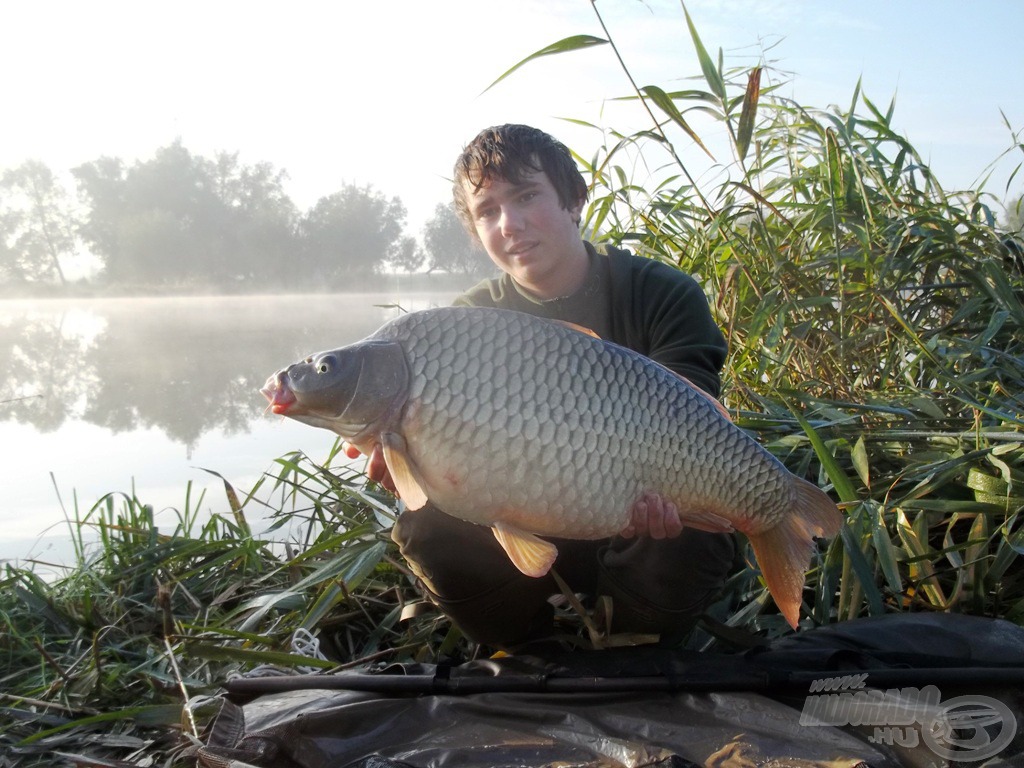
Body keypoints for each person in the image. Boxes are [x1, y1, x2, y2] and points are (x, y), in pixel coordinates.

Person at [351, 124, 735, 648]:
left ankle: (635, 644)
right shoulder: (465, 323)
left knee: (693, 531)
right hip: (522, 522)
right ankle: (528, 649)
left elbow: (697, 419)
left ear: (575, 199)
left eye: (527, 196)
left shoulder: (662, 293)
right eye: (487, 211)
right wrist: (413, 465)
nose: (509, 223)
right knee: (424, 526)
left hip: (637, 516)